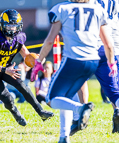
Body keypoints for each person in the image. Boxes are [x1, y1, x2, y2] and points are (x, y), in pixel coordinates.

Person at [30, 0, 116, 142]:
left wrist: (39, 61)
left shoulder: (62, 8)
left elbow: (50, 41)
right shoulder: (98, 9)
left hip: (73, 60)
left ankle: (80, 109)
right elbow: (108, 43)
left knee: (51, 99)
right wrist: (111, 62)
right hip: (93, 61)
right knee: (66, 97)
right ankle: (64, 137)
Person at [0, 9, 54, 126]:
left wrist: (38, 60)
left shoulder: (19, 38)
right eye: (9, 26)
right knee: (7, 98)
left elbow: (27, 56)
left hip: (7, 68)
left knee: (22, 86)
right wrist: (5, 70)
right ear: (2, 25)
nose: (12, 29)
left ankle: (41, 111)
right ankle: (15, 112)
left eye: (14, 26)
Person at [70, 0, 119, 136]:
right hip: (113, 45)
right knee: (113, 88)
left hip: (91, 43)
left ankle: (83, 111)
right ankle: (117, 111)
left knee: (80, 78)